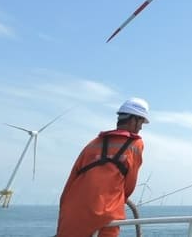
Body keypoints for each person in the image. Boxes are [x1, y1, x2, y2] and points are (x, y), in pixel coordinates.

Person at [55, 98, 150, 237]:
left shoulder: (93, 143)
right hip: (104, 214)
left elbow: (72, 179)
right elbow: (129, 185)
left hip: (70, 213)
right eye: (141, 122)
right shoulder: (135, 144)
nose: (141, 127)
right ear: (133, 120)